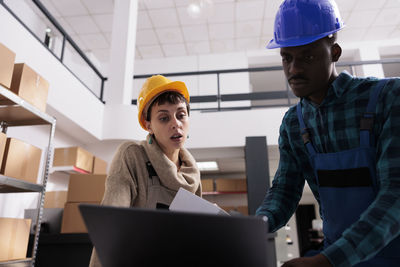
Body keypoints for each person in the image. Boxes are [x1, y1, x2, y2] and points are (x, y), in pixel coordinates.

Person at [256, 0, 400, 266]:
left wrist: (327, 261)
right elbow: (284, 192)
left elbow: (396, 197)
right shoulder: (293, 123)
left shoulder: (388, 98)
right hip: (336, 256)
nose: (294, 69)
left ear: (334, 52)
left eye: (307, 56)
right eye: (287, 58)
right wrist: (252, 227)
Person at [89, 75, 202, 267]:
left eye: (181, 115)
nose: (176, 123)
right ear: (149, 125)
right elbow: (112, 224)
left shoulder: (192, 173)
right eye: (164, 118)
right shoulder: (132, 156)